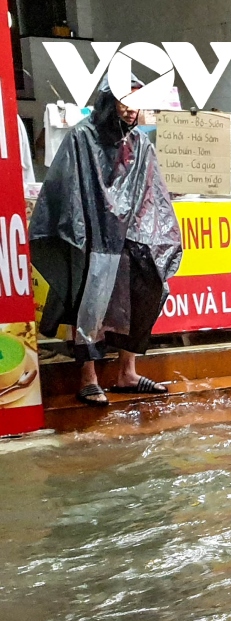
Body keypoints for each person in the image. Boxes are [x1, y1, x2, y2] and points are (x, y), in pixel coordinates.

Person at [30, 74, 182, 407]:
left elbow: (150, 192)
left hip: (130, 234)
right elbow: (67, 190)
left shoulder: (140, 142)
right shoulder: (82, 138)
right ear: (109, 101)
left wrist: (151, 233)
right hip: (92, 235)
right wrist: (84, 231)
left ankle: (127, 372)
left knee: (147, 286)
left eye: (137, 103)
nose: (132, 110)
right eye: (126, 101)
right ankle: (88, 378)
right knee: (90, 299)